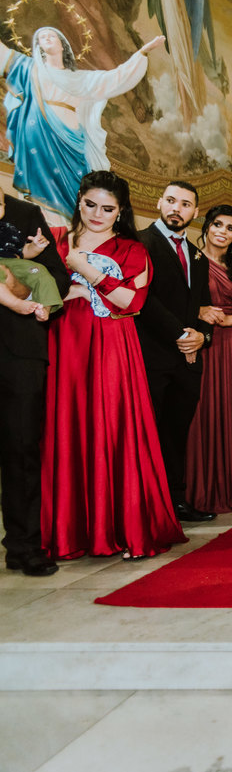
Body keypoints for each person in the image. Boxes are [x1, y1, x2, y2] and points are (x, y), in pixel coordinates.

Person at [42, 171, 185, 559]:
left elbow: (132, 303)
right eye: (90, 205)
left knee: (113, 427)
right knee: (69, 428)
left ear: (120, 211)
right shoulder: (53, 238)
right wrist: (55, 292)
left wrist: (81, 268)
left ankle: (125, 528)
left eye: (108, 208)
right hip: (65, 345)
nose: (97, 214)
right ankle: (71, 533)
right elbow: (27, 285)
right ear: (79, 200)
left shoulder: (131, 249)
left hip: (110, 347)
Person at [0, 28, 163, 221]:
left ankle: (71, 234)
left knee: (76, 196)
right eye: (42, 37)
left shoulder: (80, 79)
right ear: (38, 47)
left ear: (62, 44)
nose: (47, 38)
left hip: (73, 143)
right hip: (38, 143)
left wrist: (141, 54)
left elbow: (115, 78)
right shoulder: (28, 69)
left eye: (51, 35)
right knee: (40, 202)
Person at [136, 181, 215, 524]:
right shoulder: (140, 243)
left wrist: (203, 336)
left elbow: (199, 306)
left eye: (185, 204)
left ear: (194, 213)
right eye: (170, 200)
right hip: (151, 354)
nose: (176, 208)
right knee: (147, 432)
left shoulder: (198, 256)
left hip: (187, 359)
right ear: (159, 202)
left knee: (177, 433)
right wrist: (180, 333)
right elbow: (144, 299)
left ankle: (177, 501)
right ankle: (147, 507)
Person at [0, 192, 69, 576]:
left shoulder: (25, 213)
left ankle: (24, 544)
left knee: (22, 446)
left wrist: (22, 289)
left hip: (19, 349)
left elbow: (56, 274)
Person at [185, 205, 232, 513]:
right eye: (218, 224)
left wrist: (228, 321)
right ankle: (201, 489)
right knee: (202, 412)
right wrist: (201, 311)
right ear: (206, 226)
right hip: (201, 342)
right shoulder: (191, 259)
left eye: (230, 228)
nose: (223, 232)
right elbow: (176, 300)